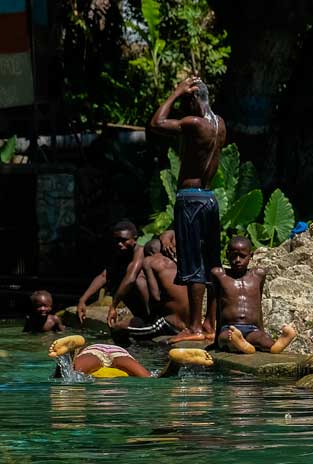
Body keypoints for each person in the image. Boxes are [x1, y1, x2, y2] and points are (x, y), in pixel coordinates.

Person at [150, 75, 227, 341]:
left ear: (194, 98)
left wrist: (175, 91)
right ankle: (210, 323)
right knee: (212, 262)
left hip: (190, 198)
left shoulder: (195, 123)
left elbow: (156, 122)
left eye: (187, 100)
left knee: (194, 263)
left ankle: (194, 328)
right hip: (208, 198)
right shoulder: (220, 124)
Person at [208, 237, 298, 354]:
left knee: (263, 340)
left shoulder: (258, 275)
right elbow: (216, 307)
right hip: (229, 328)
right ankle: (240, 343)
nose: (237, 260)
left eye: (242, 256)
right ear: (227, 254)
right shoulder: (219, 275)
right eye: (234, 256)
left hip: (252, 329)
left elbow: (258, 306)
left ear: (251, 256)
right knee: (226, 338)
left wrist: (262, 332)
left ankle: (276, 345)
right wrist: (216, 339)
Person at [108, 233, 191, 341]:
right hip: (190, 323)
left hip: (170, 324)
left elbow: (155, 296)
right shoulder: (180, 261)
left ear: (149, 253)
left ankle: (124, 354)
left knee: (118, 329)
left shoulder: (150, 261)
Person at [76, 221, 146, 326]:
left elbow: (131, 278)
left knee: (137, 280)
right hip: (133, 301)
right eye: (117, 240)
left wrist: (113, 306)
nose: (119, 244)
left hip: (149, 299)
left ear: (135, 239)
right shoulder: (120, 254)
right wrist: (83, 300)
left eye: (124, 240)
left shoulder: (140, 251)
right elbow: (104, 275)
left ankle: (149, 317)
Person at [48, 335, 214, 378]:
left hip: (94, 351)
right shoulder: (120, 351)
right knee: (151, 378)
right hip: (119, 352)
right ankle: (175, 361)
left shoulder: (89, 350)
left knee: (68, 374)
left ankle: (69, 352)